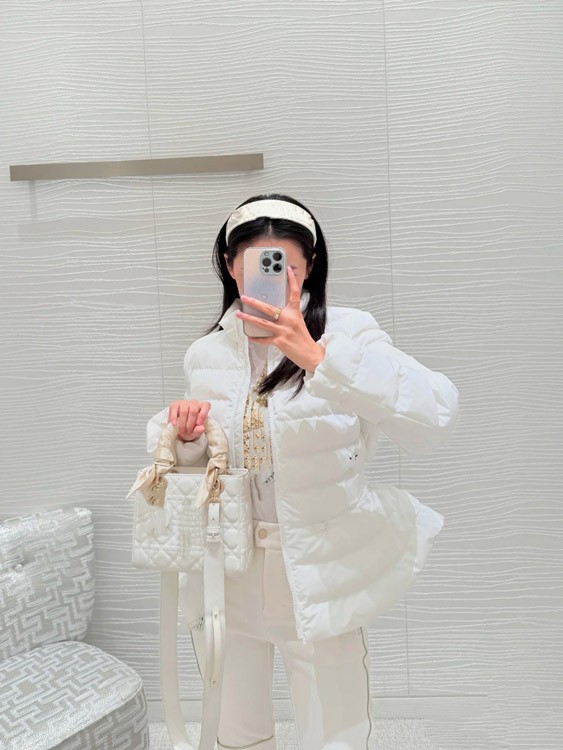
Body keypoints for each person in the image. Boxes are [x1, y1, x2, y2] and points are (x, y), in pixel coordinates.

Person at [146, 193, 460, 749]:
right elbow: (215, 464)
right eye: (258, 265)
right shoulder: (206, 354)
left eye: (288, 267)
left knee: (333, 725)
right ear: (230, 266)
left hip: (319, 566)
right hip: (231, 567)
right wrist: (190, 438)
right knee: (236, 724)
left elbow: (434, 414)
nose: (276, 279)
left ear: (310, 267)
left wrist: (318, 358)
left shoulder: (349, 334)